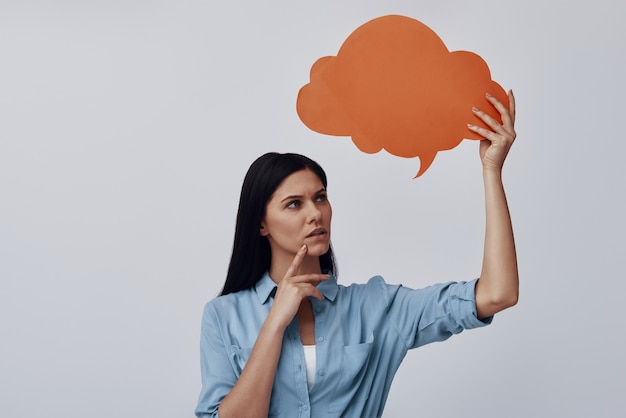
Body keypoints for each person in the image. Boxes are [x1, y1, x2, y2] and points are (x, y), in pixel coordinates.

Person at [195, 91, 518, 418]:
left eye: (320, 198)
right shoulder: (223, 317)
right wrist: (275, 322)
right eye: (295, 204)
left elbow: (497, 294)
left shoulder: (376, 307)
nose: (315, 214)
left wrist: (492, 171)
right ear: (261, 224)